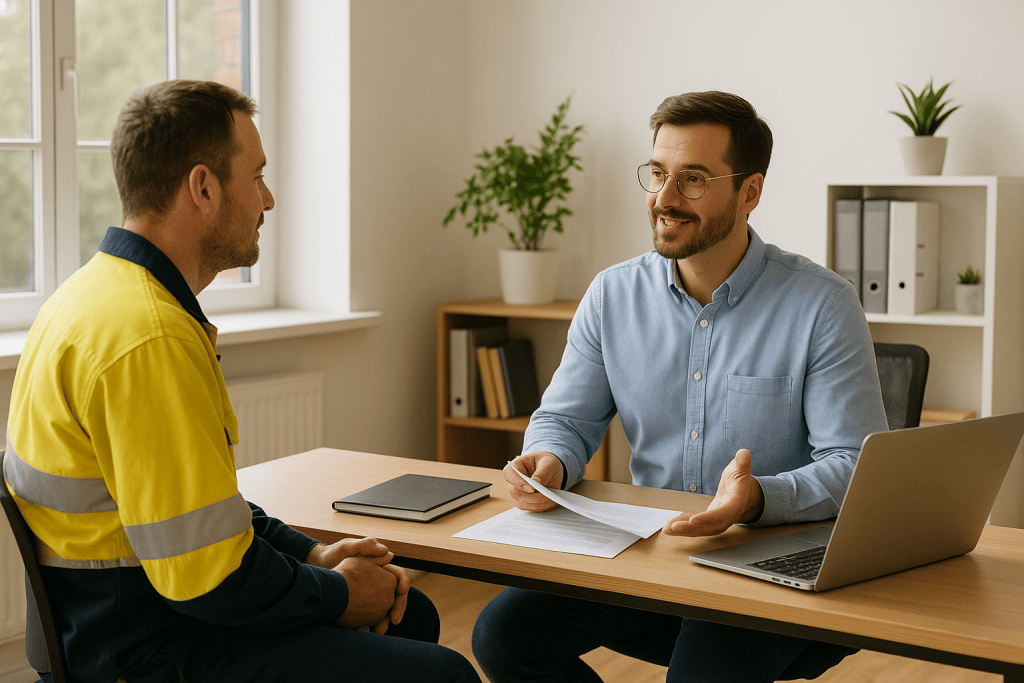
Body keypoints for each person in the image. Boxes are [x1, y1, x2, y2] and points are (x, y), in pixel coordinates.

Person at [3, 80, 480, 683]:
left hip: (123, 618)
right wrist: (336, 594)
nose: (269, 199)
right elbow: (210, 577)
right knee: (444, 675)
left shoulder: (94, 295)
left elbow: (199, 515)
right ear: (203, 187)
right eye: (255, 177)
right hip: (146, 647)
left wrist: (312, 554)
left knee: (412, 615)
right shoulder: (148, 336)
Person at [471, 91, 889, 683]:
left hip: (768, 561)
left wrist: (757, 498)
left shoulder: (821, 304)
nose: (664, 199)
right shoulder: (611, 295)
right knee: (503, 635)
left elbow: (854, 465)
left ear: (750, 192)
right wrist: (550, 461)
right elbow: (565, 420)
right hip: (654, 554)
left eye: (693, 179)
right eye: (659, 174)